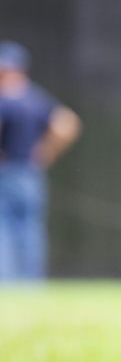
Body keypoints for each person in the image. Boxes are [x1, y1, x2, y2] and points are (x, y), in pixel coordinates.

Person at [0, 41, 82, 282]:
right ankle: (30, 282)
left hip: (8, 171)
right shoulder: (35, 98)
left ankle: (7, 281)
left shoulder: (5, 100)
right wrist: (46, 150)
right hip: (30, 172)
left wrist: (47, 150)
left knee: (5, 227)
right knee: (30, 227)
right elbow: (67, 122)